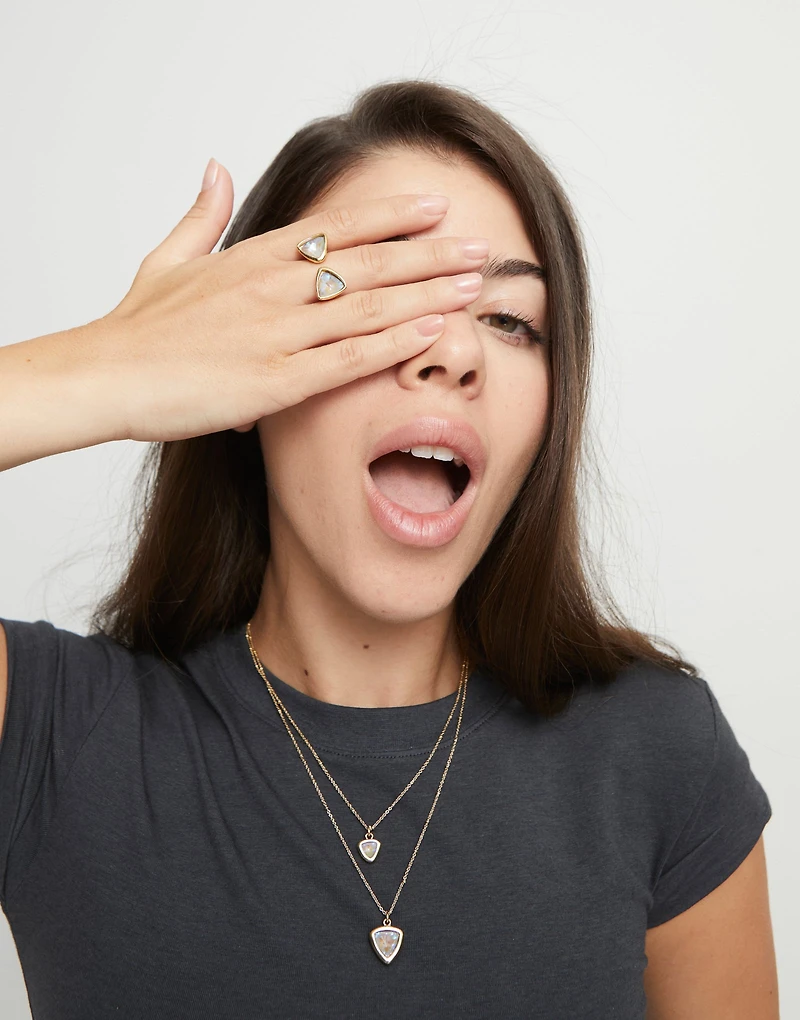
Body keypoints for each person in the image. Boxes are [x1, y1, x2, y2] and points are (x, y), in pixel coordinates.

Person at [0, 79, 778, 1018]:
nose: (454, 352)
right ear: (243, 379)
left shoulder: (658, 753)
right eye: (374, 298)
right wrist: (113, 367)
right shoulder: (51, 733)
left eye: (509, 320)